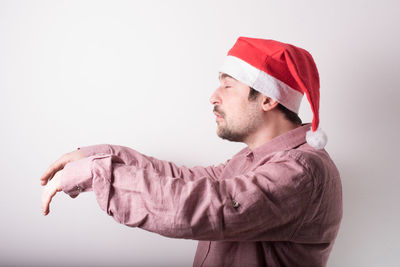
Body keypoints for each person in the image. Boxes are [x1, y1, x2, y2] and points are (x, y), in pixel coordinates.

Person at [40, 37, 343, 267]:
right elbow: (187, 179)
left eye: (228, 86)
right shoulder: (253, 159)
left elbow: (204, 207)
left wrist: (99, 172)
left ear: (267, 100)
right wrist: (100, 154)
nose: (213, 96)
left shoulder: (302, 171)